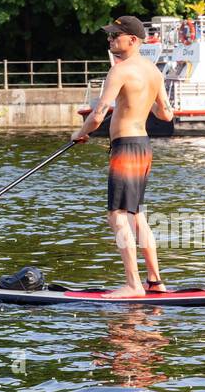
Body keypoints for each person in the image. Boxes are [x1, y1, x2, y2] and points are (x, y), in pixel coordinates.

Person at [72, 15, 174, 296]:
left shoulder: (119, 71)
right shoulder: (154, 71)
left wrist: (80, 133)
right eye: (110, 35)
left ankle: (133, 285)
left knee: (117, 216)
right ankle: (155, 281)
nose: (110, 40)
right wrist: (141, 100)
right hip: (143, 146)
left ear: (133, 40)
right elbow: (166, 114)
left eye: (115, 36)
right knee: (138, 215)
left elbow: (99, 114)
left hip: (126, 147)